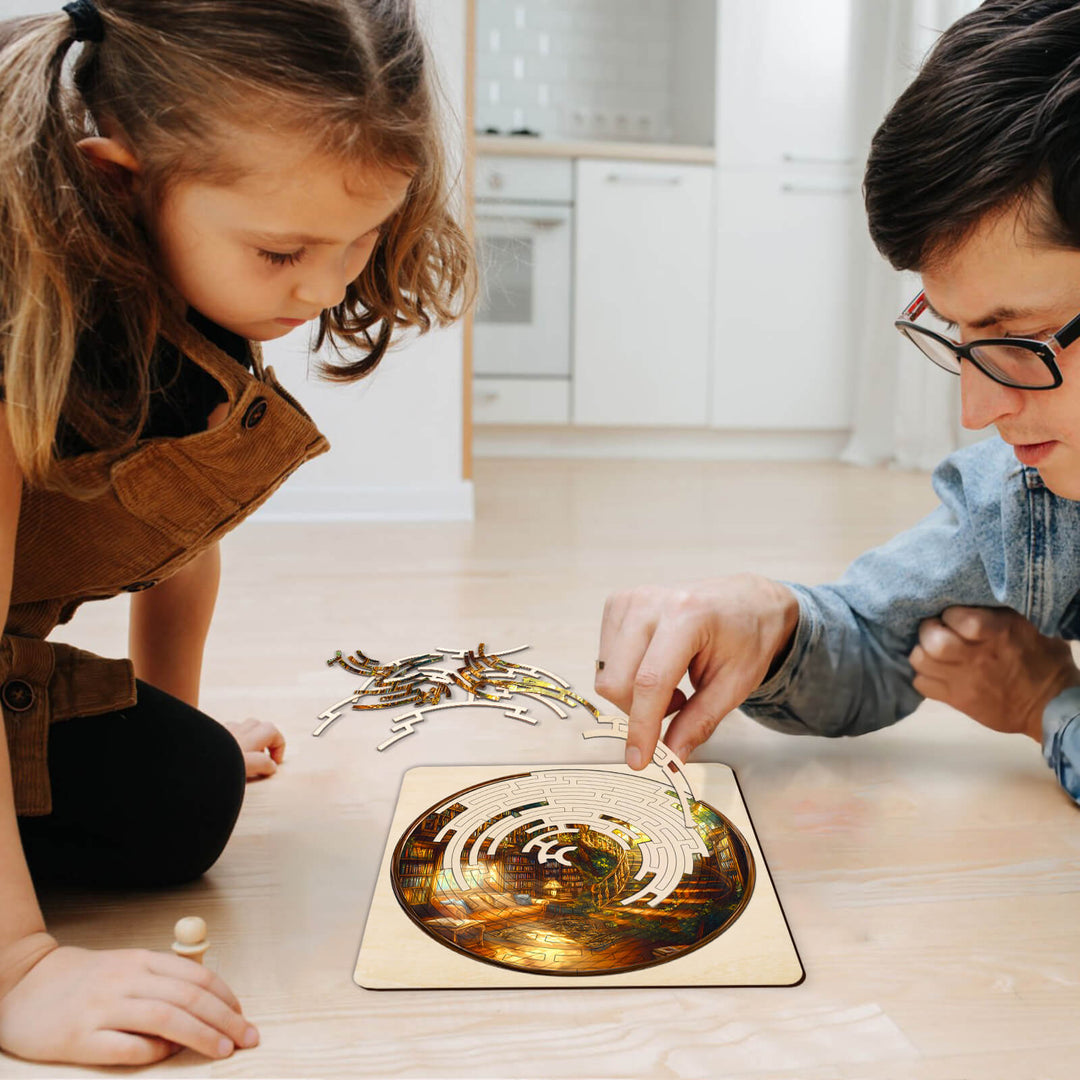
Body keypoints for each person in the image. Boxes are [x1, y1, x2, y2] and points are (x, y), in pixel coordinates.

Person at [0, 0, 471, 1067]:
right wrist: (19, 965)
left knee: (187, 792)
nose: (326, 286)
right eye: (283, 251)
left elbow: (177, 520)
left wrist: (170, 719)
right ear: (119, 178)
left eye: (363, 241)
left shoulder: (173, 277)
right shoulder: (12, 315)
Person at [596, 0, 1080, 810]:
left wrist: (1045, 707)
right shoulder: (1026, 499)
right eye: (959, 337)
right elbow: (877, 636)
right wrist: (770, 621)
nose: (976, 411)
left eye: (1018, 338)